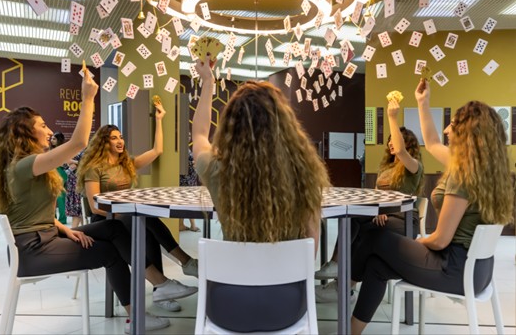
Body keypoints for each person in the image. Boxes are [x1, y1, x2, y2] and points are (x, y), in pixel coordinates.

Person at [0, 70, 175, 332]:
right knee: (110, 252)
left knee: (113, 228)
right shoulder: (25, 165)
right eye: (42, 126)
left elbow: (32, 214)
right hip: (33, 250)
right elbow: (79, 142)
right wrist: (88, 96)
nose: (48, 131)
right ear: (25, 133)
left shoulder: (23, 166)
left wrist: (66, 230)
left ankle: (161, 284)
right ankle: (138, 314)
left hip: (44, 237)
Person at [349, 79, 514, 334]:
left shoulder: (462, 174)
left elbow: (439, 240)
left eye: (452, 125)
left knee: (376, 238)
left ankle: (344, 285)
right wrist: (422, 102)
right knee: (376, 266)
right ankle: (351, 329)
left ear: (467, 134)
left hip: (454, 269)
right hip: (479, 272)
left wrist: (416, 242)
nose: (446, 130)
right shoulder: (484, 170)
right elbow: (433, 142)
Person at [192, 57, 331, 332]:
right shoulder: (306, 176)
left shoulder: (215, 169)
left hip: (228, 306)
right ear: (285, 126)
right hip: (286, 307)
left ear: (230, 126)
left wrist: (208, 82)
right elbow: (311, 248)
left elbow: (199, 134)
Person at [76, 108, 198, 313]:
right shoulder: (94, 168)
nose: (119, 141)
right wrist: (121, 213)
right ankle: (184, 264)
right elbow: (95, 206)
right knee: (141, 218)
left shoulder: (127, 164)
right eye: (114, 138)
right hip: (105, 220)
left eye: (121, 137)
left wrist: (159, 119)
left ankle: (162, 289)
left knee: (145, 226)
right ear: (103, 143)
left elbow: (157, 150)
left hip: (127, 218)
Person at [316, 98, 424, 302]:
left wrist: (392, 116)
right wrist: (379, 211)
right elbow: (377, 194)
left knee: (366, 233)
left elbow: (401, 151)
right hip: (383, 216)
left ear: (407, 144)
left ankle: (344, 287)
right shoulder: (386, 167)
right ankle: (337, 265)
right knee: (352, 218)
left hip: (404, 220)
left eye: (396, 140)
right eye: (390, 140)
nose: (391, 143)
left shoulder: (414, 166)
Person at [179, 148, 200, 232]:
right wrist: (194, 163)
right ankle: (193, 225)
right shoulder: (183, 149)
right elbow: (184, 163)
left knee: (184, 202)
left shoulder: (184, 148)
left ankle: (181, 224)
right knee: (189, 202)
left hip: (187, 179)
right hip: (187, 180)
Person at [50, 131, 68, 225]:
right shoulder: (56, 149)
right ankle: (57, 218)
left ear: (59, 140)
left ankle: (61, 219)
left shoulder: (60, 149)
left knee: (59, 197)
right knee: (57, 196)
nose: (51, 140)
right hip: (55, 171)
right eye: (51, 138)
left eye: (54, 139)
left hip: (59, 172)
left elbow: (64, 162)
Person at [65, 150, 84, 228]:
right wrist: (68, 163)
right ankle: (83, 228)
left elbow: (87, 163)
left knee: (78, 209)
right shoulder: (72, 150)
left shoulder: (86, 150)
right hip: (71, 183)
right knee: (78, 210)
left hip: (79, 182)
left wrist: (73, 162)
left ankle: (73, 230)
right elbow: (64, 164)